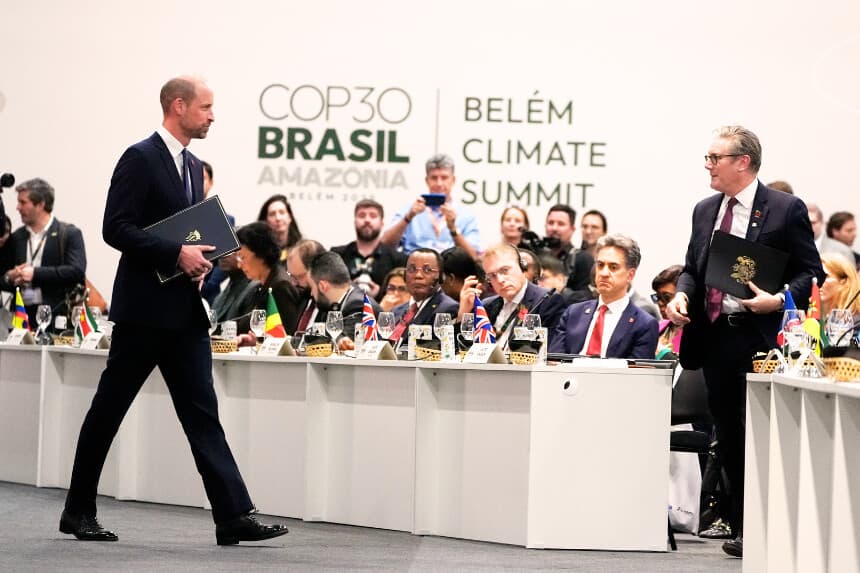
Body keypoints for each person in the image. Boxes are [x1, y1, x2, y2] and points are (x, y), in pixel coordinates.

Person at [60, 76, 288, 545]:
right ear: (178, 106)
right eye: (205, 108)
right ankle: (77, 510)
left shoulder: (191, 165)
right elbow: (114, 228)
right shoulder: (140, 157)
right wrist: (173, 255)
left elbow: (180, 234)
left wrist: (196, 261)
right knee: (109, 410)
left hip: (182, 309)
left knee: (203, 413)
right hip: (143, 311)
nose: (212, 116)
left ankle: (232, 515)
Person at [665, 125, 823, 559]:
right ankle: (742, 527)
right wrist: (681, 292)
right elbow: (693, 268)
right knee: (728, 437)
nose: (708, 165)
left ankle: (771, 525)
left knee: (761, 434)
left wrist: (781, 299)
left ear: (743, 162)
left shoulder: (784, 209)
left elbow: (813, 273)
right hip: (713, 336)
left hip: (759, 338)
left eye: (715, 157)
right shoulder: (704, 209)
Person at [549, 234, 658, 358]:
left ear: (630, 275)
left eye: (613, 267)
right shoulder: (573, 313)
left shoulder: (644, 324)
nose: (604, 273)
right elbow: (554, 362)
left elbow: (638, 374)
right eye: (600, 265)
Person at [0, 177, 86, 328]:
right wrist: (9, 277)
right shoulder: (16, 238)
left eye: (23, 202)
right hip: (20, 322)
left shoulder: (68, 234)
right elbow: (2, 276)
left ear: (40, 204)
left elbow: (76, 271)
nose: (17, 208)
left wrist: (35, 273)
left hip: (57, 321)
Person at [458, 243, 566, 348]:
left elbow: (548, 352)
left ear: (522, 267)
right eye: (493, 275)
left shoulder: (546, 301)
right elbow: (461, 349)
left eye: (505, 270)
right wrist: (463, 313)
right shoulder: (487, 305)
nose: (500, 280)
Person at [381, 154, 480, 258]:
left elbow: (473, 257)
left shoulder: (466, 215)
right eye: (434, 178)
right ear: (427, 180)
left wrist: (453, 229)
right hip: (414, 268)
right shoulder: (410, 210)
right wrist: (408, 218)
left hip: (451, 269)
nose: (439, 183)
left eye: (444, 177)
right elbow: (385, 244)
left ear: (453, 180)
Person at [233, 222, 302, 338]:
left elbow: (285, 335)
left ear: (260, 254)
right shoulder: (260, 285)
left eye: (243, 257)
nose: (239, 266)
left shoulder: (281, 286)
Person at [331, 199, 406, 299]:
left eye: (373, 216)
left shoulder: (398, 259)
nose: (367, 220)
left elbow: (403, 297)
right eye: (362, 215)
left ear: (382, 223)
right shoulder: (337, 255)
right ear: (355, 221)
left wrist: (380, 293)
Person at [308, 251, 381, 350]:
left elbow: (344, 345)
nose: (311, 293)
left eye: (312, 287)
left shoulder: (358, 304)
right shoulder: (332, 304)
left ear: (322, 286)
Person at [389, 248, 459, 349]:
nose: (418, 275)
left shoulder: (447, 309)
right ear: (405, 275)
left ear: (440, 277)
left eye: (427, 270)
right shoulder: (396, 311)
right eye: (412, 269)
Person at [542, 204, 594, 292]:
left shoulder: (583, 259)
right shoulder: (536, 255)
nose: (554, 228)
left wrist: (561, 291)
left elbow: (586, 297)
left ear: (572, 229)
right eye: (551, 223)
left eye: (561, 224)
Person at [286, 239, 326, 333]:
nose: (294, 283)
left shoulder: (335, 303)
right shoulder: (301, 296)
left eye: (299, 277)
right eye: (291, 275)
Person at [210, 251, 259, 324]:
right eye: (221, 250)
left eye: (232, 251)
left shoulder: (255, 287)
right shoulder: (219, 296)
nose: (223, 255)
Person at [258, 194, 302, 264]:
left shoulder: (302, 250)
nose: (278, 218)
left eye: (282, 212)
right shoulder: (258, 253)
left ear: (290, 217)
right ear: (265, 221)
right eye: (272, 214)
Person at [651, 264, 684, 358]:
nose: (660, 303)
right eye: (657, 297)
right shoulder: (659, 326)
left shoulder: (699, 333)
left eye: (666, 297)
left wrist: (663, 354)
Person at [820, 253, 860, 318]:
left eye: (825, 276)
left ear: (844, 281)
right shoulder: (807, 316)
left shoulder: (855, 323)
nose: (817, 281)